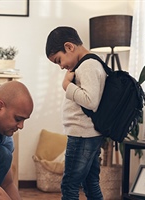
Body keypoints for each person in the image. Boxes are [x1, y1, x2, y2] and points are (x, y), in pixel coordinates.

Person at [45, 26, 107, 200]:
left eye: (59, 60)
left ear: (69, 47)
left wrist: (67, 86)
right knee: (90, 183)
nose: (61, 66)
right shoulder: (90, 64)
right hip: (88, 134)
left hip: (82, 135)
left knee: (70, 185)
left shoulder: (88, 66)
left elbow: (91, 101)